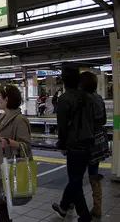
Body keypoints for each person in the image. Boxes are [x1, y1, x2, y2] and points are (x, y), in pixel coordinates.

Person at [52, 66, 95, 222]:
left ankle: (83, 216)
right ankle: (65, 209)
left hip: (74, 146)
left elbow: (62, 127)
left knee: (75, 182)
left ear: (64, 81)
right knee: (75, 180)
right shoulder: (89, 97)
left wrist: (62, 145)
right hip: (88, 144)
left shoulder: (64, 99)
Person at [0, 85, 32, 222]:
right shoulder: (4, 116)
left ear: (7, 100)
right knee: (0, 205)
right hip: (1, 168)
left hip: (10, 169)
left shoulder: (19, 120)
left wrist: (9, 142)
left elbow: (26, 146)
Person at [79, 71, 107, 219]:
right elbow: (103, 120)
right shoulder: (99, 98)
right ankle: (98, 206)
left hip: (87, 142)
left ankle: (70, 201)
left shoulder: (83, 100)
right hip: (99, 141)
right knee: (94, 174)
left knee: (76, 174)